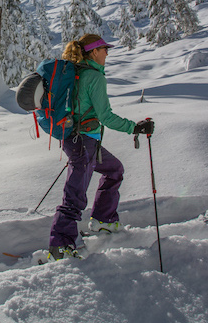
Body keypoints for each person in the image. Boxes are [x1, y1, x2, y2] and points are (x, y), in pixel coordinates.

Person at [48, 33, 154, 260]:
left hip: (78, 140)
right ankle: (61, 245)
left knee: (114, 169)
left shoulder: (77, 72)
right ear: (94, 51)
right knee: (75, 194)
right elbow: (106, 116)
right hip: (83, 142)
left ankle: (103, 220)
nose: (107, 53)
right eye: (105, 49)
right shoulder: (94, 77)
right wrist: (134, 128)